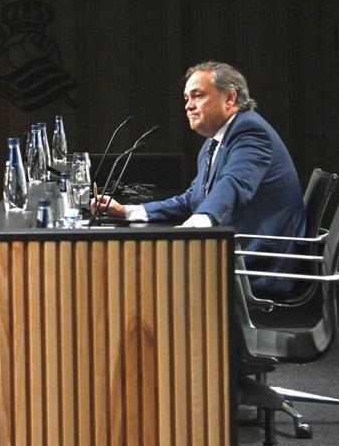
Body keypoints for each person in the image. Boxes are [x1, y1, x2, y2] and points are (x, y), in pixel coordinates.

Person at [92, 61, 305, 289]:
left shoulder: (251, 132)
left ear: (230, 99)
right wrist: (127, 212)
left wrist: (191, 229)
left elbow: (233, 186)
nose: (188, 106)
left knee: (145, 273)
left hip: (260, 263)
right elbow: (193, 198)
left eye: (198, 96)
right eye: (186, 99)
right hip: (236, 252)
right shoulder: (212, 143)